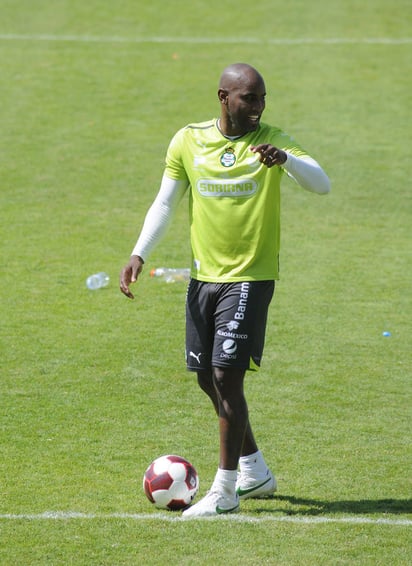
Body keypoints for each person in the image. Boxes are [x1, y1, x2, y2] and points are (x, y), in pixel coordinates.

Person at [120, 63, 330, 518]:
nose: (256, 108)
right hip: (203, 278)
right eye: (248, 99)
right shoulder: (188, 141)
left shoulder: (272, 141)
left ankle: (226, 490)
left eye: (261, 99)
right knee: (204, 376)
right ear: (223, 97)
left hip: (250, 277)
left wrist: (286, 161)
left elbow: (322, 183)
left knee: (225, 377)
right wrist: (139, 252)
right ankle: (255, 470)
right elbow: (165, 200)